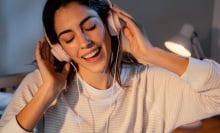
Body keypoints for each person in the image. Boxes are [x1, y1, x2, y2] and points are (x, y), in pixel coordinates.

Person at [0, 0, 220, 132]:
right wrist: (48, 92)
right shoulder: (39, 87)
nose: (84, 42)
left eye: (90, 26)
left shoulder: (150, 83)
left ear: (110, 24)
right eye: (69, 39)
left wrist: (152, 54)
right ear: (60, 49)